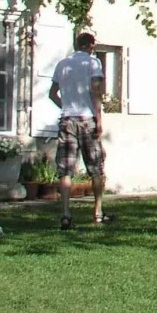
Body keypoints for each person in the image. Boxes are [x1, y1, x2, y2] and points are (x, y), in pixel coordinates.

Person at [48, 30, 107, 230]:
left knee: (65, 169)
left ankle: (65, 214)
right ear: (90, 45)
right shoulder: (93, 63)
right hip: (86, 119)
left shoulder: (62, 64)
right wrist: (98, 120)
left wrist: (65, 106)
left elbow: (52, 93)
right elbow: (95, 91)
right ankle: (98, 212)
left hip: (67, 119)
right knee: (96, 167)